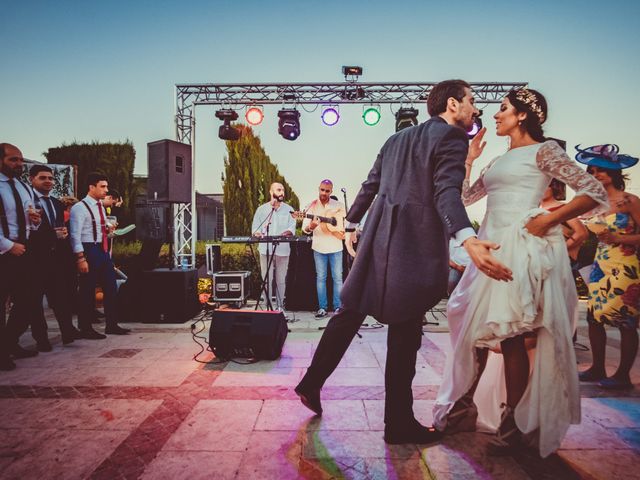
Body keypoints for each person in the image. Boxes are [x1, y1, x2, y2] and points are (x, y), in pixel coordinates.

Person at [295, 79, 513, 445]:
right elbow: (445, 192)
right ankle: (397, 424)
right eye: (471, 102)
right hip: (412, 244)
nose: (475, 109)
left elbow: (370, 184)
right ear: (453, 105)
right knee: (405, 330)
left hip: (379, 236)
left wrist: (351, 224)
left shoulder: (396, 139)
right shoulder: (452, 138)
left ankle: (311, 383)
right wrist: (466, 236)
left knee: (349, 312)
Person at [433, 88, 608, 458]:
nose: (495, 115)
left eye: (503, 109)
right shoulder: (498, 158)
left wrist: (549, 219)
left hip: (519, 246)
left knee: (511, 335)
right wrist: (468, 159)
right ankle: (466, 406)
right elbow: (464, 198)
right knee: (467, 324)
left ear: (524, 116)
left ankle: (514, 424)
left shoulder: (544, 151)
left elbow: (592, 191)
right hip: (490, 244)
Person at [576, 145, 640, 390]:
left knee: (625, 321)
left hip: (626, 265)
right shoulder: (592, 204)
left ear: (614, 172)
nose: (596, 174)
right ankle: (597, 367)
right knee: (594, 318)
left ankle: (623, 375)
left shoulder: (629, 201)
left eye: (601, 170)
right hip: (600, 264)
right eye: (591, 171)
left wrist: (621, 239)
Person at [26, 165, 81, 348]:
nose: (48, 181)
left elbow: (58, 228)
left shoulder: (57, 203)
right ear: (31, 179)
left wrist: (63, 233)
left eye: (50, 178)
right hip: (34, 259)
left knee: (61, 297)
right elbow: (28, 232)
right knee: (34, 302)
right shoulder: (28, 202)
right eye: (43, 178)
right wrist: (53, 235)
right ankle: (41, 338)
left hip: (56, 259)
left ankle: (67, 332)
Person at [69, 172, 131, 338]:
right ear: (91, 187)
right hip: (89, 250)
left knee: (110, 288)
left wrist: (108, 229)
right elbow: (75, 235)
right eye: (102, 186)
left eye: (106, 186)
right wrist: (80, 258)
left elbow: (97, 229)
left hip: (102, 250)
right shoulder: (79, 208)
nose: (106, 190)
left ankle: (111, 324)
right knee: (87, 290)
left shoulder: (100, 207)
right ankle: (85, 327)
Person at [0, 143, 42, 370]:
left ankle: (8, 342)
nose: (18, 165)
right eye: (13, 160)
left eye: (20, 160)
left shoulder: (23, 186)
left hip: (25, 248)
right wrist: (7, 245)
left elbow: (30, 216)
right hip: (4, 251)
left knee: (28, 300)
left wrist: (35, 221)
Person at [302, 179, 346, 318]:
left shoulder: (339, 205)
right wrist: (311, 227)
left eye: (327, 191)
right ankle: (322, 308)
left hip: (336, 245)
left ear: (331, 191)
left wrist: (341, 230)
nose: (324, 193)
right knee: (321, 278)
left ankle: (338, 307)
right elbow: (305, 228)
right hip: (319, 247)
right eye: (322, 190)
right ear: (319, 189)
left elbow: (344, 221)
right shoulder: (312, 206)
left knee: (338, 278)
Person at [251, 182, 296, 311]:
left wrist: (289, 231)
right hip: (265, 250)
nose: (282, 192)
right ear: (271, 192)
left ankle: (280, 308)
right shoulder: (262, 209)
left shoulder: (289, 209)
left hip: (282, 250)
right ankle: (267, 308)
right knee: (266, 280)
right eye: (278, 189)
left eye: (283, 190)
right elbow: (255, 228)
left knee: (281, 280)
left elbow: (292, 227)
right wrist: (258, 233)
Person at [540, 178, 589, 270]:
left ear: (554, 188)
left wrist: (560, 249)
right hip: (542, 261)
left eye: (546, 186)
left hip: (562, 261)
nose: (541, 189)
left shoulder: (563, 208)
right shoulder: (533, 211)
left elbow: (582, 233)